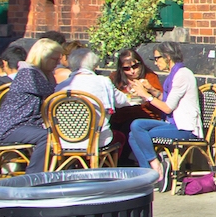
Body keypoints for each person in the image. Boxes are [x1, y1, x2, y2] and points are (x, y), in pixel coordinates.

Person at [126, 42, 202, 180]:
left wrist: (145, 95)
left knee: (139, 134)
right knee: (136, 127)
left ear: (167, 57)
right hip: (172, 123)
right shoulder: (173, 75)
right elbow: (167, 100)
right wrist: (151, 89)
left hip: (184, 127)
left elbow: (167, 107)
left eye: (157, 58)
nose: (155, 62)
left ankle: (155, 167)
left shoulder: (182, 75)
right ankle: (151, 170)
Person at [0, 38, 64, 174]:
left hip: (27, 124)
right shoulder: (29, 74)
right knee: (47, 136)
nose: (58, 63)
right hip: (11, 127)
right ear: (43, 57)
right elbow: (54, 95)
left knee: (61, 132)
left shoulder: (43, 74)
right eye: (55, 59)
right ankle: (33, 177)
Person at [55, 47, 120, 151]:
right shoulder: (103, 82)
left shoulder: (61, 87)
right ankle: (104, 166)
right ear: (94, 66)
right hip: (96, 140)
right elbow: (122, 101)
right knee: (120, 136)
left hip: (63, 140)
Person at [110, 48, 165, 133]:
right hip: (120, 117)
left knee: (128, 128)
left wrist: (149, 90)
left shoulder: (150, 77)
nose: (132, 71)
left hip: (144, 117)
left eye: (135, 66)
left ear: (140, 64)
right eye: (126, 69)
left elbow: (161, 99)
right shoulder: (115, 78)